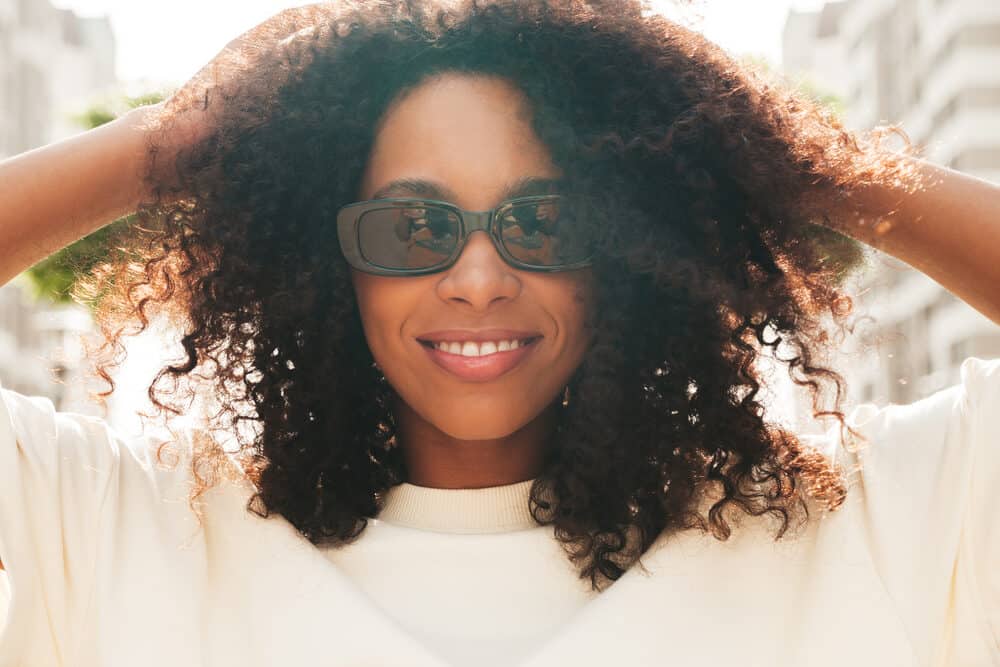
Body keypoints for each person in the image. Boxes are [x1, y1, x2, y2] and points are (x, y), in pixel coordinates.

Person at [0, 1, 997, 664]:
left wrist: (772, 155)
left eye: (546, 222)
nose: (478, 278)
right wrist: (177, 141)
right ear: (327, 261)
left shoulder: (860, 531)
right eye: (410, 227)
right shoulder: (123, 532)